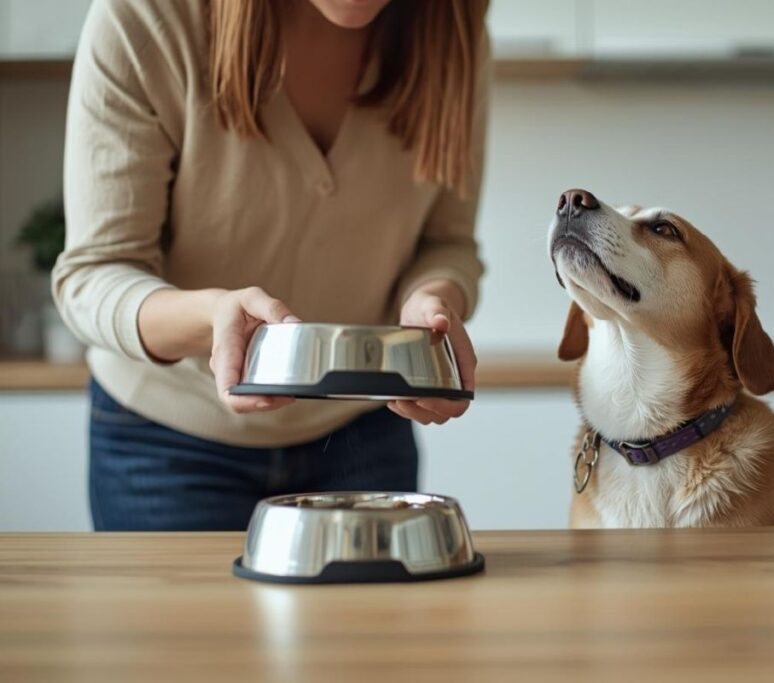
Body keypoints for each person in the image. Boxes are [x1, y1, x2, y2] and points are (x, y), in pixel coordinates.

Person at [52, 0, 490, 531]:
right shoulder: (146, 19)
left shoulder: (451, 29)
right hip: (168, 445)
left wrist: (432, 299)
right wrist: (214, 319)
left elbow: (446, 242)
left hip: (364, 430)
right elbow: (94, 275)